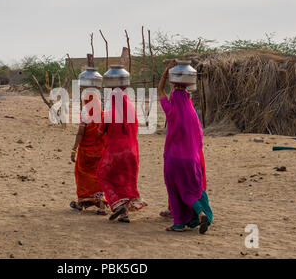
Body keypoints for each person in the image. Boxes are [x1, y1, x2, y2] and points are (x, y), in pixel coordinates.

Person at [158, 61, 213, 233]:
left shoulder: (170, 110)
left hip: (174, 158)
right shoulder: (192, 114)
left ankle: (179, 224)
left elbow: (160, 91)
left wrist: (166, 73)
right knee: (190, 190)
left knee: (175, 190)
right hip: (192, 159)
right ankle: (200, 212)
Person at [97, 88, 147, 223]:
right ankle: (124, 213)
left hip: (114, 151)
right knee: (125, 180)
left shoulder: (108, 114)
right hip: (131, 152)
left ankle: (118, 204)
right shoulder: (132, 114)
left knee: (103, 175)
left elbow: (99, 132)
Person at [70, 91, 108, 215]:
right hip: (101, 152)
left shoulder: (86, 114)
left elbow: (80, 133)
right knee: (99, 177)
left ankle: (82, 202)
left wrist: (74, 149)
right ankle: (102, 205)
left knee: (82, 176)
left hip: (86, 153)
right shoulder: (103, 115)